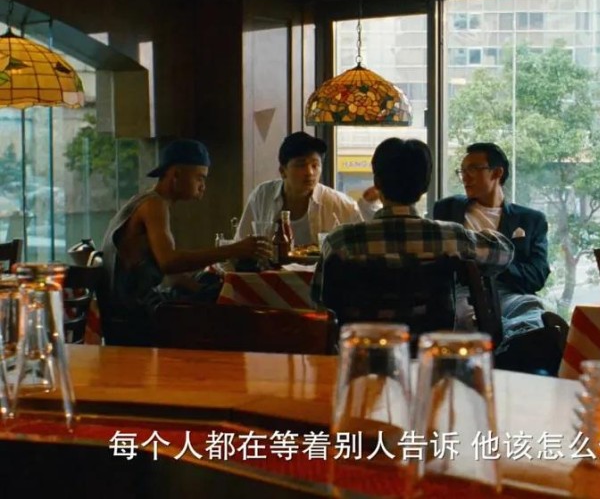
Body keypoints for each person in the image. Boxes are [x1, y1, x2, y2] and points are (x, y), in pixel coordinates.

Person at [102, 139, 273, 346]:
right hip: (134, 317)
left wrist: (199, 286)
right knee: (236, 314)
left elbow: (167, 272)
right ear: (176, 175)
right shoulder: (154, 205)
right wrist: (233, 250)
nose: (203, 186)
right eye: (199, 178)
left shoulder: (145, 200)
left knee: (212, 285)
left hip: (128, 308)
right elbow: (169, 262)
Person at [311, 137, 514, 311]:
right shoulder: (451, 237)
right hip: (430, 342)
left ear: (377, 182)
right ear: (425, 186)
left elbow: (319, 299)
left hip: (360, 342)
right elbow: (505, 252)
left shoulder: (340, 241)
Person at [434, 142, 568, 371]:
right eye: (462, 170)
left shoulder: (530, 220)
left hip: (510, 294)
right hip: (463, 292)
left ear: (497, 172)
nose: (465, 177)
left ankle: (526, 341)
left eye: (473, 169)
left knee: (530, 306)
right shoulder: (447, 209)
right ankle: (514, 349)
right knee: (471, 316)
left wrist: (493, 262)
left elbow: (536, 276)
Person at [235, 132, 379, 246]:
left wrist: (368, 206)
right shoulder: (262, 196)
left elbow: (364, 245)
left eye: (315, 165)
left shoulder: (340, 204)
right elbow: (241, 243)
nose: (310, 172)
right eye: (300, 165)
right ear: (283, 171)